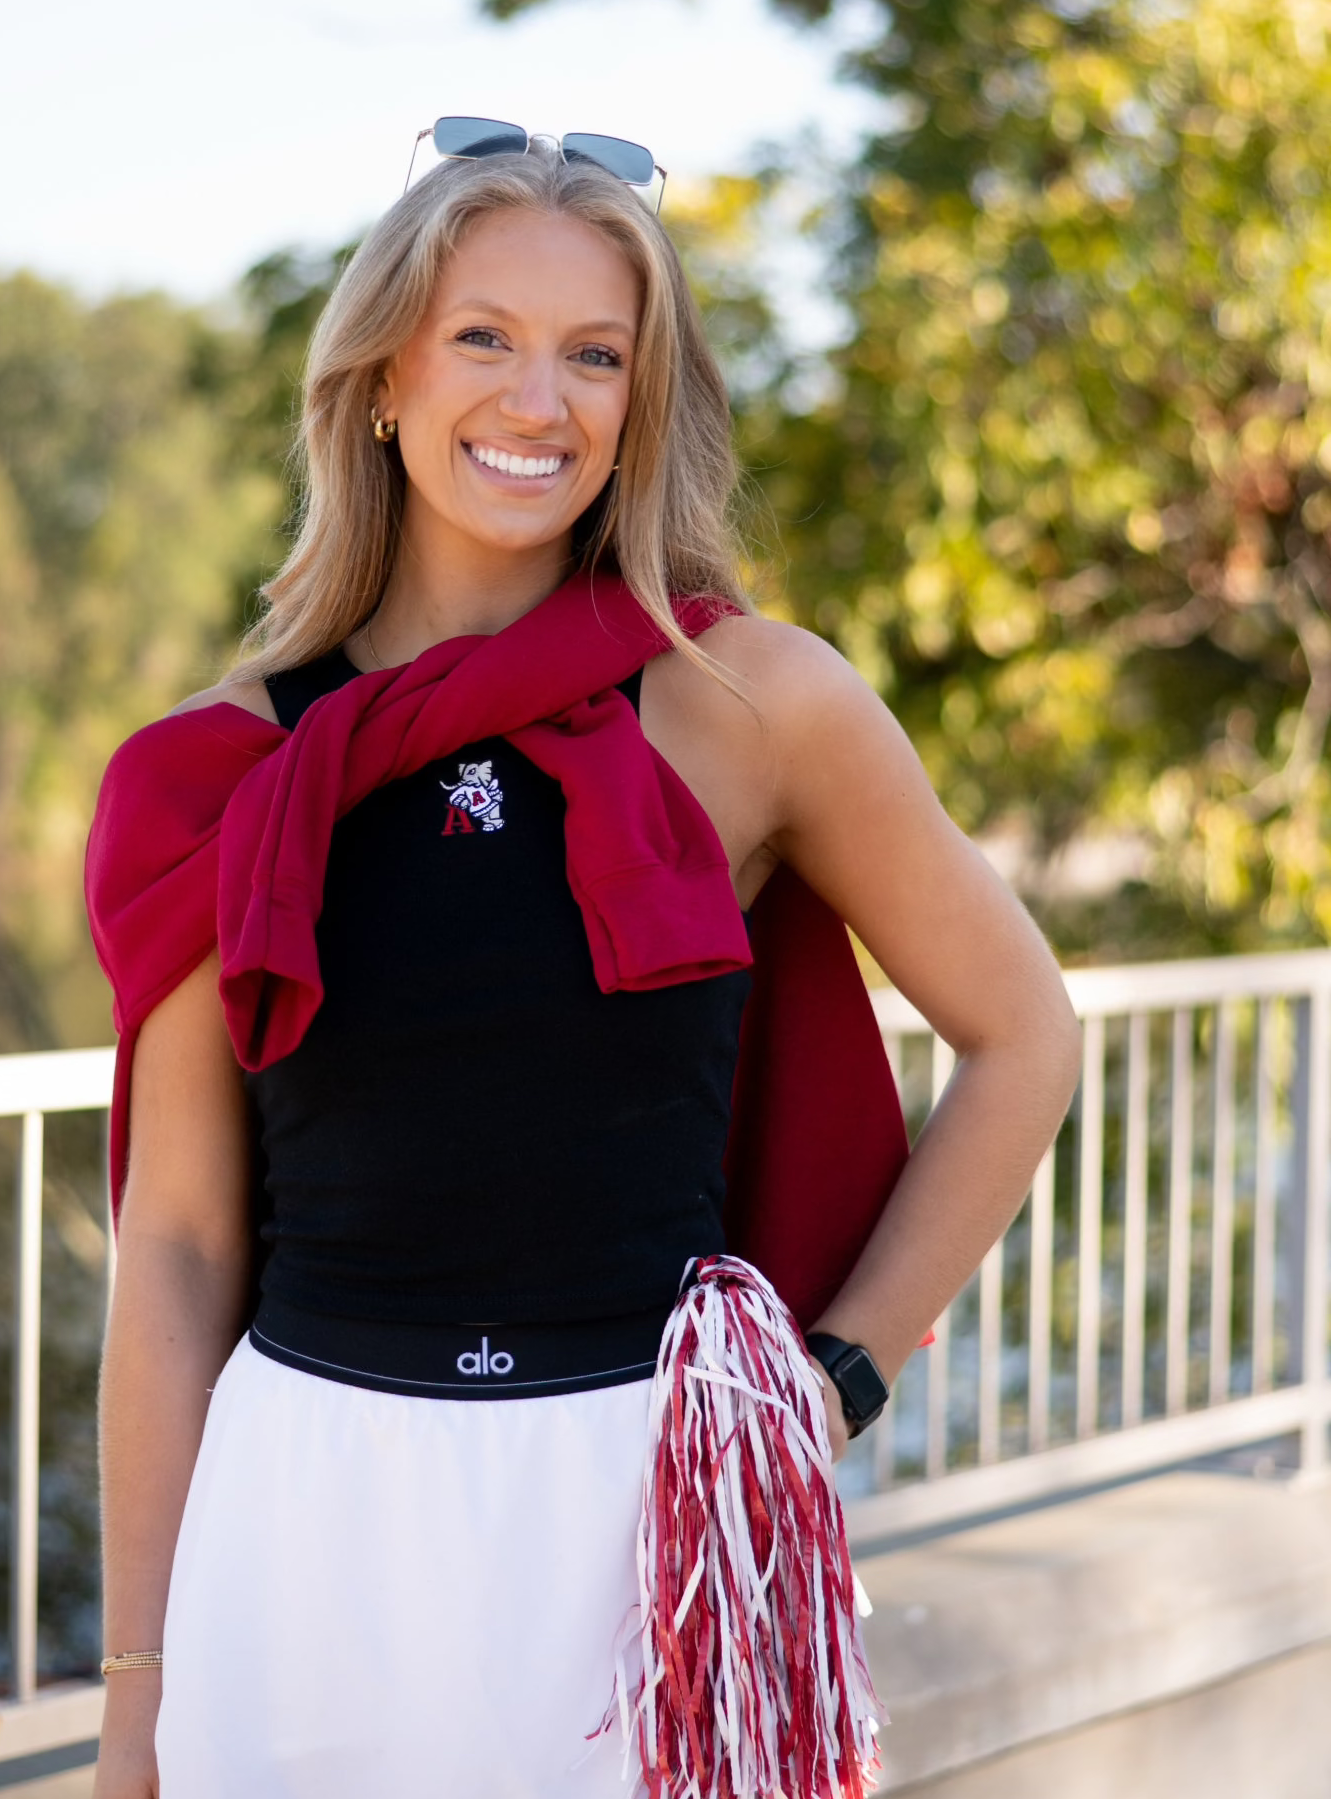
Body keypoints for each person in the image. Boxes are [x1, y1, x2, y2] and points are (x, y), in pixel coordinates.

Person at [86, 128, 1082, 1799]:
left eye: (595, 354)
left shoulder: (757, 703)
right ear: (383, 375)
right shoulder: (210, 772)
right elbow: (177, 1249)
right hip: (307, 1516)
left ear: (641, 400)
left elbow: (1025, 1035)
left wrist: (826, 1382)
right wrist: (135, 1703)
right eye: (484, 336)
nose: (537, 400)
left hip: (648, 1520)